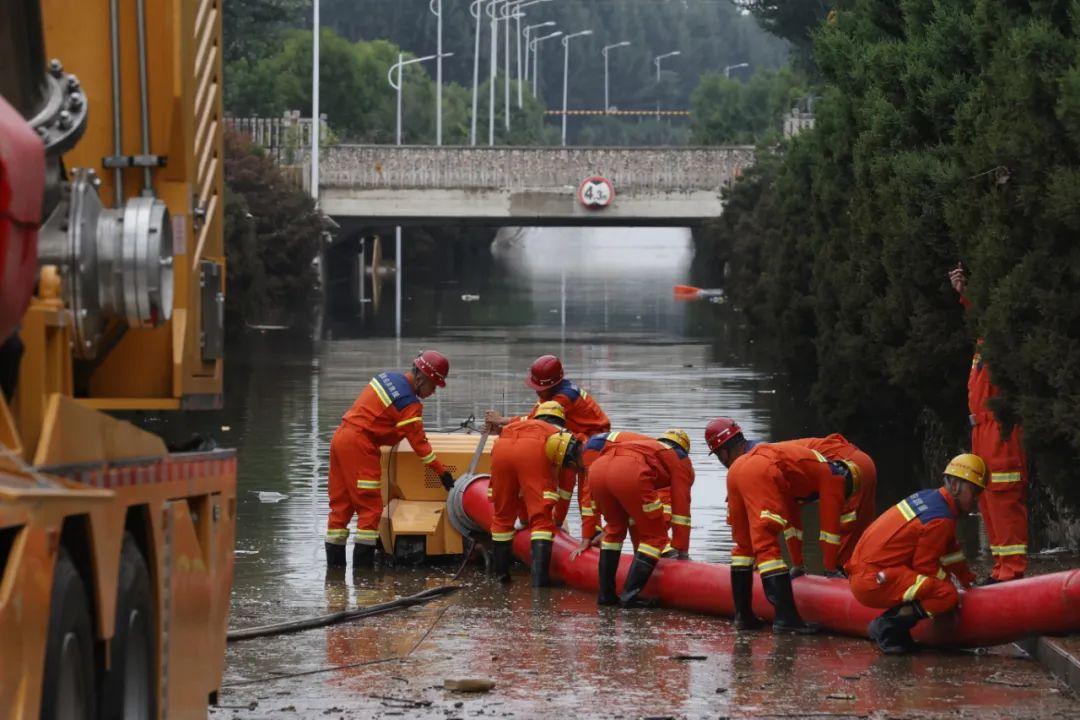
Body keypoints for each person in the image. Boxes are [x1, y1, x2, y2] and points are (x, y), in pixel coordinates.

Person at [705, 417, 856, 633]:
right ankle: (786, 619)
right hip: (758, 469)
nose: (721, 459)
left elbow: (792, 514)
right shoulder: (829, 474)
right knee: (767, 547)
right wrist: (830, 569)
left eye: (719, 454)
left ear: (725, 450)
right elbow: (829, 526)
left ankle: (742, 616)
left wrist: (798, 565)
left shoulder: (754, 458)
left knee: (743, 547)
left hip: (737, 475)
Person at [325, 351, 453, 568]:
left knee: (341, 508)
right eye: (433, 386)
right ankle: (363, 581)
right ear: (421, 378)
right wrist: (442, 473)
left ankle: (335, 579)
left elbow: (378, 417)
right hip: (360, 446)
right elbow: (420, 444)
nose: (432, 393)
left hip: (341, 437)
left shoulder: (387, 378)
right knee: (370, 509)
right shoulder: (409, 404)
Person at [848, 454, 983, 654]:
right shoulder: (941, 519)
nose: (976, 499)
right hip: (873, 580)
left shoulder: (933, 499)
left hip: (871, 572)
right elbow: (925, 566)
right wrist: (948, 587)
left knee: (936, 588)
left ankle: (898, 632)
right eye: (974, 491)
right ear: (955, 485)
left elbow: (950, 550)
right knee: (946, 595)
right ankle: (887, 627)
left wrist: (967, 580)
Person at [950, 263, 1028, 583]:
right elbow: (986, 320)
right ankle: (1001, 569)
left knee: (1004, 496)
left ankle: (1012, 572)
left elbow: (999, 322)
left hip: (1001, 428)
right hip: (982, 430)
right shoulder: (985, 337)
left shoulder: (1003, 334)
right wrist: (965, 294)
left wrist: (970, 295)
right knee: (988, 497)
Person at [486, 354, 611, 530]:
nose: (536, 391)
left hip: (591, 442)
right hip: (574, 438)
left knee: (586, 495)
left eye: (538, 387)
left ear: (551, 384)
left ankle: (588, 533)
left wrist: (503, 422)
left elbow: (536, 423)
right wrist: (503, 424)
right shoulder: (550, 393)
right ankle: (556, 523)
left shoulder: (563, 398)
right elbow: (533, 418)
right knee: (566, 485)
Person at [587, 434, 694, 606]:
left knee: (614, 530)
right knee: (655, 537)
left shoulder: (647, 446)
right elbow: (682, 510)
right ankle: (629, 596)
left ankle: (606, 595)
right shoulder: (680, 459)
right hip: (629, 471)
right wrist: (681, 550)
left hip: (598, 469)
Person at [489, 401, 583, 586]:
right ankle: (540, 582)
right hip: (534, 448)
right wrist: (557, 521)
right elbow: (565, 488)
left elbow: (522, 491)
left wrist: (524, 521)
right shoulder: (559, 437)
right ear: (562, 421)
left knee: (502, 517)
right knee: (541, 519)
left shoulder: (520, 424)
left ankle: (501, 578)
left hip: (501, 447)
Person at [572, 429, 693, 559]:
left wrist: (587, 537)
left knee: (636, 519)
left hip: (628, 475)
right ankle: (649, 556)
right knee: (641, 519)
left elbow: (587, 497)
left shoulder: (593, 449)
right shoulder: (665, 460)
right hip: (632, 477)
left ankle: (649, 555)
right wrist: (681, 549)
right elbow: (676, 513)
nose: (575, 470)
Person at [785, 434, 878, 575]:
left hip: (848, 468)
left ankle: (839, 575)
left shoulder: (772, 467)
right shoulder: (779, 454)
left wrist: (799, 564)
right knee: (860, 543)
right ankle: (861, 577)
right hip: (862, 464)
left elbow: (790, 520)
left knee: (843, 543)